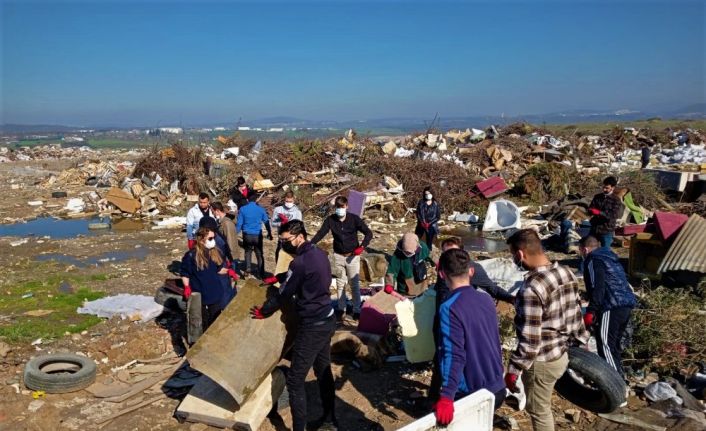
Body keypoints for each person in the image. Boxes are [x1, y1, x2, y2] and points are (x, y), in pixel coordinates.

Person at [250, 220, 337, 431]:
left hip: (312, 325)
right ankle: (329, 420)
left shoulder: (299, 262)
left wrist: (265, 310)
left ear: (299, 236)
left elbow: (285, 293)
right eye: (281, 241)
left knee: (296, 380)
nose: (284, 245)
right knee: (323, 369)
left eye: (286, 240)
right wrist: (279, 277)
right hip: (328, 317)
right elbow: (301, 278)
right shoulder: (319, 254)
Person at [504, 229, 589, 431]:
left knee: (539, 411)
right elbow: (575, 313)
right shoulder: (566, 272)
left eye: (513, 255)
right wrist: (582, 340)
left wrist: (513, 370)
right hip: (561, 353)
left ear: (520, 254)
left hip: (542, 361)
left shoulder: (531, 288)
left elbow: (530, 342)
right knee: (544, 403)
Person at [428, 236, 513, 403]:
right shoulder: (486, 300)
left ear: (442, 274)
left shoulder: (449, 307)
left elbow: (454, 355)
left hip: (471, 394)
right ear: (470, 272)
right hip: (496, 385)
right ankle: (432, 397)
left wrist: (447, 396)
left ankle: (435, 398)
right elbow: (493, 342)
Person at [579, 236, 636, 381]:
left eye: (580, 250)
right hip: (626, 304)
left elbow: (598, 287)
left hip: (610, 306)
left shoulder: (592, 259)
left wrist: (591, 310)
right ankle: (620, 378)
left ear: (585, 249)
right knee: (614, 345)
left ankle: (615, 385)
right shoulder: (610, 257)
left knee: (606, 346)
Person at [311, 196, 373, 321]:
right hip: (338, 256)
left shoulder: (354, 219)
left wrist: (362, 247)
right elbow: (321, 233)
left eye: (342, 207)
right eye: (338, 207)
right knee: (340, 284)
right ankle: (341, 309)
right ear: (335, 208)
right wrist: (310, 243)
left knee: (354, 284)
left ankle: (357, 310)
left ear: (347, 206)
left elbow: (368, 233)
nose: (340, 210)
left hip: (353, 256)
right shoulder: (330, 220)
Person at [180, 227, 230, 332]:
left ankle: (214, 336)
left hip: (215, 290)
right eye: (210, 238)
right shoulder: (191, 255)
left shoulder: (214, 252)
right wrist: (187, 287)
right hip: (199, 292)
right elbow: (185, 273)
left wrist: (229, 271)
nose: (213, 241)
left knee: (215, 318)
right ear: (202, 239)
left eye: (213, 238)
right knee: (200, 319)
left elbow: (218, 269)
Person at [236, 193, 273, 278]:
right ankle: (260, 273)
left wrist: (235, 234)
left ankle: (248, 268)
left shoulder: (242, 209)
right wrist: (269, 233)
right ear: (256, 200)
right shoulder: (261, 209)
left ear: (247, 200)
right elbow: (266, 222)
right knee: (259, 254)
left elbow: (239, 224)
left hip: (246, 235)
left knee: (248, 251)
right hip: (257, 235)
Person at [588, 176, 623, 249]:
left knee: (605, 250)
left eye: (607, 188)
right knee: (590, 248)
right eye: (603, 187)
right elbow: (591, 208)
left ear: (612, 188)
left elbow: (613, 216)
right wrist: (591, 211)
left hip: (606, 229)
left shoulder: (616, 200)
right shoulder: (597, 197)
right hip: (595, 228)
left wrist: (599, 213)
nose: (604, 189)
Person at [271, 191, 303, 262]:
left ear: (293, 200)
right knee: (279, 258)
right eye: (287, 201)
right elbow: (272, 223)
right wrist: (281, 223)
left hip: (293, 240)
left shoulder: (297, 212)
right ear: (284, 199)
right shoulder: (278, 209)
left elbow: (299, 227)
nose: (288, 203)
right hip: (282, 239)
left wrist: (290, 225)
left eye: (290, 201)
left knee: (291, 261)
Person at [415, 187, 441, 252]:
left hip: (431, 226)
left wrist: (429, 223)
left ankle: (428, 255)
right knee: (416, 240)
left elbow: (438, 216)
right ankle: (416, 255)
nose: (427, 195)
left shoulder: (435, 204)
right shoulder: (421, 202)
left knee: (429, 242)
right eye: (426, 194)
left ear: (432, 194)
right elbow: (418, 214)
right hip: (421, 225)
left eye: (429, 193)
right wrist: (422, 222)